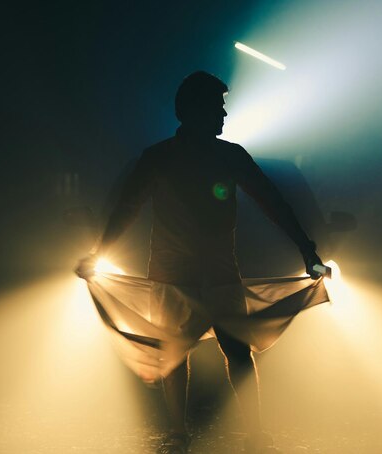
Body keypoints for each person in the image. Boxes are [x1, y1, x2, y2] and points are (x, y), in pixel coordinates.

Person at [76, 71, 324, 454]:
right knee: (213, 352)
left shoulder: (190, 156)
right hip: (188, 272)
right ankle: (214, 436)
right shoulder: (194, 157)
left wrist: (307, 248)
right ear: (194, 110)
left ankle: (193, 436)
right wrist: (306, 249)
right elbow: (273, 204)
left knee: (204, 351)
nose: (224, 114)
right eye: (217, 106)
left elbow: (273, 203)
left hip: (195, 271)